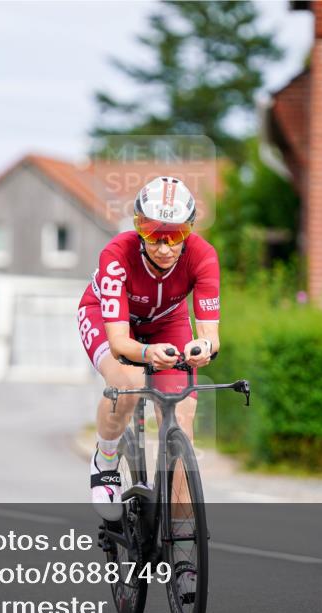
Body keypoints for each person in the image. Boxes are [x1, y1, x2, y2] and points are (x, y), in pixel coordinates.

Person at [76, 176, 221, 522]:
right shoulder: (117, 255)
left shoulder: (203, 256)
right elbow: (120, 343)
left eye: (176, 235)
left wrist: (203, 347)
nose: (166, 247)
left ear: (189, 231)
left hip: (166, 322)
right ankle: (106, 460)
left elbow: (211, 335)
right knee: (127, 383)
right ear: (139, 228)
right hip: (108, 319)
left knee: (182, 423)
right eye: (156, 234)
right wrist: (147, 354)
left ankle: (182, 542)